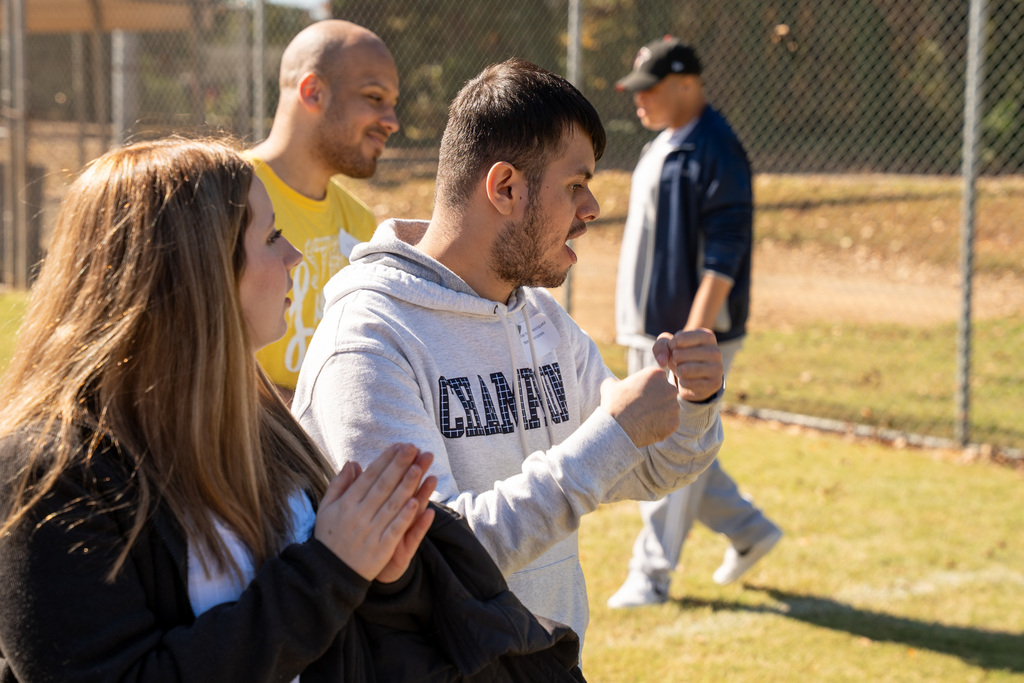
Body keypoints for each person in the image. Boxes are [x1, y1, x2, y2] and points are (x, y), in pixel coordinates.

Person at [0, 139, 586, 681]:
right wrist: (329, 570)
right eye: (271, 235)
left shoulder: (260, 424)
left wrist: (385, 576)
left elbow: (336, 634)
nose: (295, 253)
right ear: (196, 269)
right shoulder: (50, 474)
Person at [293, 58, 725, 650]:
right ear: (504, 187)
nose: (592, 208)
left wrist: (697, 403)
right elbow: (434, 558)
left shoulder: (541, 319)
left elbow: (649, 466)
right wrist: (614, 435)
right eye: (575, 186)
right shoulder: (370, 337)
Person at [606, 37, 782, 609]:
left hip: (685, 336)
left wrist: (693, 339)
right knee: (685, 444)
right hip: (652, 329)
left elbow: (724, 254)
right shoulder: (665, 143)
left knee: (659, 443)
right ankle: (750, 530)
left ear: (687, 83)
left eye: (650, 89)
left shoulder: (716, 147)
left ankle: (650, 576)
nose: (639, 101)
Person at [247, 19, 400, 403]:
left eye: (393, 105)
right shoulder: (225, 192)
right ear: (312, 91)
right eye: (374, 97)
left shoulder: (361, 222)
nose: (392, 122)